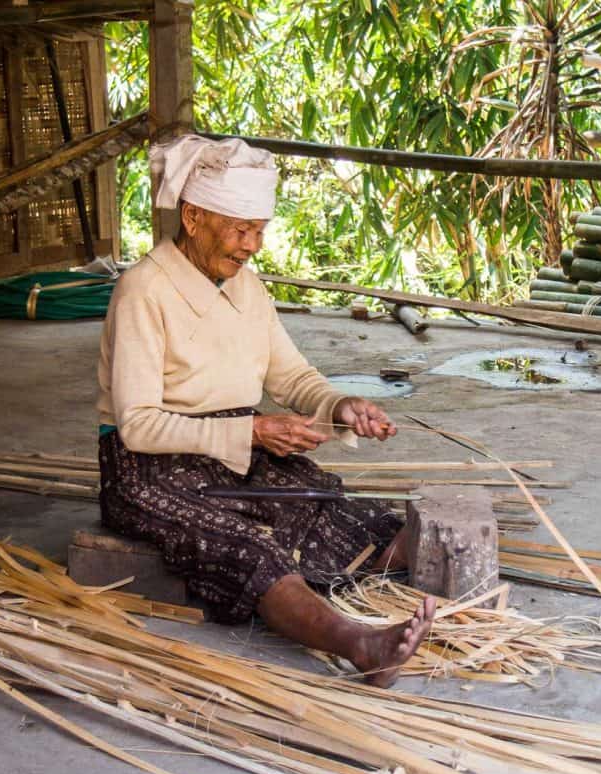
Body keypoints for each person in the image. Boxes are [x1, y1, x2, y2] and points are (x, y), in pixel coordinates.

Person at [96, 134, 434, 687]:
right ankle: (361, 644)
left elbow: (291, 376)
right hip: (147, 469)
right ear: (194, 215)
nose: (252, 245)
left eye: (259, 230)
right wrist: (252, 430)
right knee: (249, 543)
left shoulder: (246, 288)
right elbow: (137, 426)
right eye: (241, 229)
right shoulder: (144, 290)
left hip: (234, 452)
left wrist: (340, 405)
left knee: (325, 505)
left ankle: (420, 571)